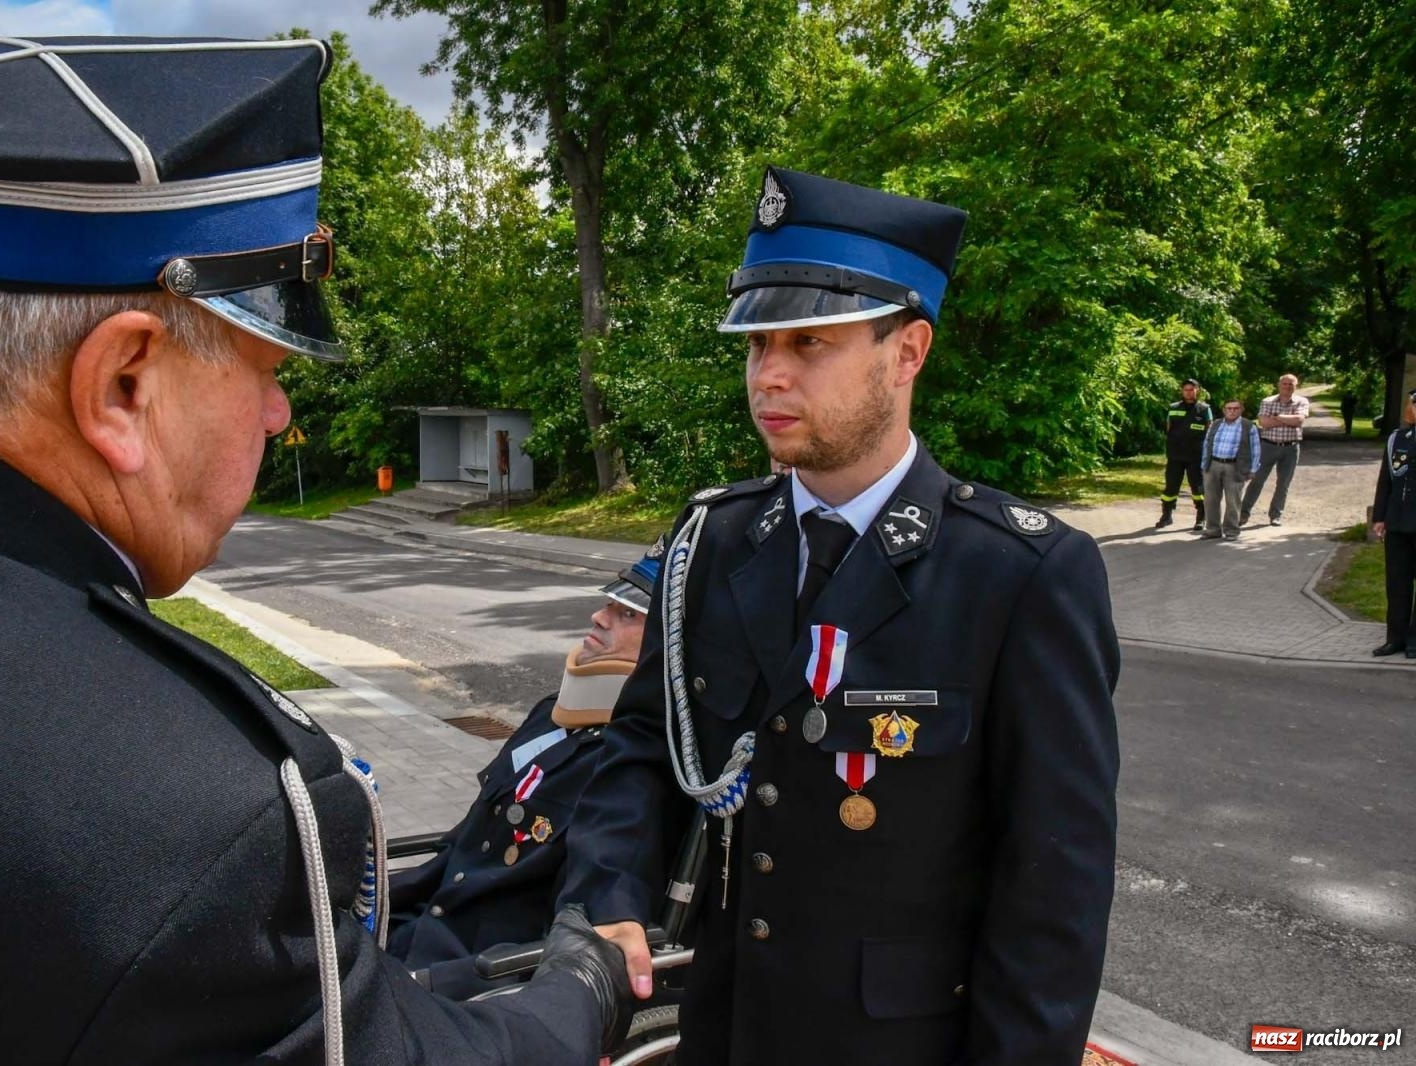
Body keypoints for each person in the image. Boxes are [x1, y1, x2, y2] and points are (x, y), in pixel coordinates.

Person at [0, 37, 628, 1064]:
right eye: (263, 360)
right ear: (123, 385)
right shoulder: (191, 827)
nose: (283, 412)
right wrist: (580, 986)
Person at [560, 167, 1121, 1065]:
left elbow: (1054, 889)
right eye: (756, 344)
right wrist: (606, 893)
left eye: (810, 342)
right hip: (726, 1030)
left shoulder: (1021, 574)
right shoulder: (716, 540)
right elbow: (642, 746)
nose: (768, 373)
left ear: (909, 353)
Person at [389, 549, 660, 997]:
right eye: (609, 603)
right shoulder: (552, 716)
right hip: (420, 925)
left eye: (627, 613)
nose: (598, 616)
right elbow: (466, 843)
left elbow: (575, 921)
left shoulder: (635, 772)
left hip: (477, 975)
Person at [1371, 389, 1416, 658]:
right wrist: (1379, 517)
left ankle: (1414, 641)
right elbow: (1386, 480)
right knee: (1397, 584)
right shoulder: (1397, 439)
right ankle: (1395, 639)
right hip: (1398, 522)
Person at [1240, 373, 1311, 527]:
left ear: (1295, 386)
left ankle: (1275, 515)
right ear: (1279, 385)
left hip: (1290, 448)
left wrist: (1277, 416)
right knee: (1257, 480)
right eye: (1284, 383)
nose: (1287, 386)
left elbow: (1299, 420)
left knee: (1283, 484)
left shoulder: (1302, 401)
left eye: (1291, 384)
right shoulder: (1268, 401)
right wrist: (1288, 419)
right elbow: (1264, 422)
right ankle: (1243, 513)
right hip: (1267, 446)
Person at [1157, 378, 1213, 530]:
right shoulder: (1173, 407)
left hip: (1196, 455)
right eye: (1186, 389)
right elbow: (1168, 427)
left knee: (1198, 488)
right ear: (1182, 391)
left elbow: (1210, 431)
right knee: (1171, 487)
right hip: (1175, 455)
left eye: (1192, 389)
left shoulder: (1204, 408)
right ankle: (1166, 515)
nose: (1188, 392)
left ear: (1197, 390)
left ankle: (1201, 517)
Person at [1201, 400, 1262, 540]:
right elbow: (1206, 444)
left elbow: (1256, 449)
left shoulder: (1248, 426)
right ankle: (1212, 530)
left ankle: (1231, 531)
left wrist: (1253, 470)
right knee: (1210, 499)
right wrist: (1204, 465)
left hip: (1236, 467)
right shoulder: (1216, 424)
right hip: (1213, 465)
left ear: (1241, 410)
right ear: (1224, 410)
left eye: (1236, 408)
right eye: (1229, 408)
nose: (1232, 411)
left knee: (1233, 500)